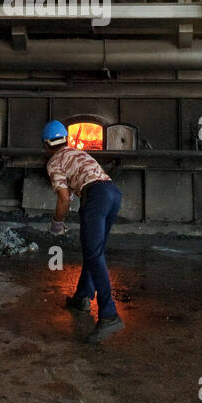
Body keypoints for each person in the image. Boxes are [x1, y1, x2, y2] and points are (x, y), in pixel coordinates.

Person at [42, 120, 125, 344]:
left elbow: (64, 197)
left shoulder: (54, 162)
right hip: (112, 192)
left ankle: (109, 314)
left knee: (94, 254)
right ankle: (82, 296)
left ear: (46, 144)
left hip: (95, 197)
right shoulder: (77, 152)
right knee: (94, 251)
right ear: (66, 140)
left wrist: (56, 222)